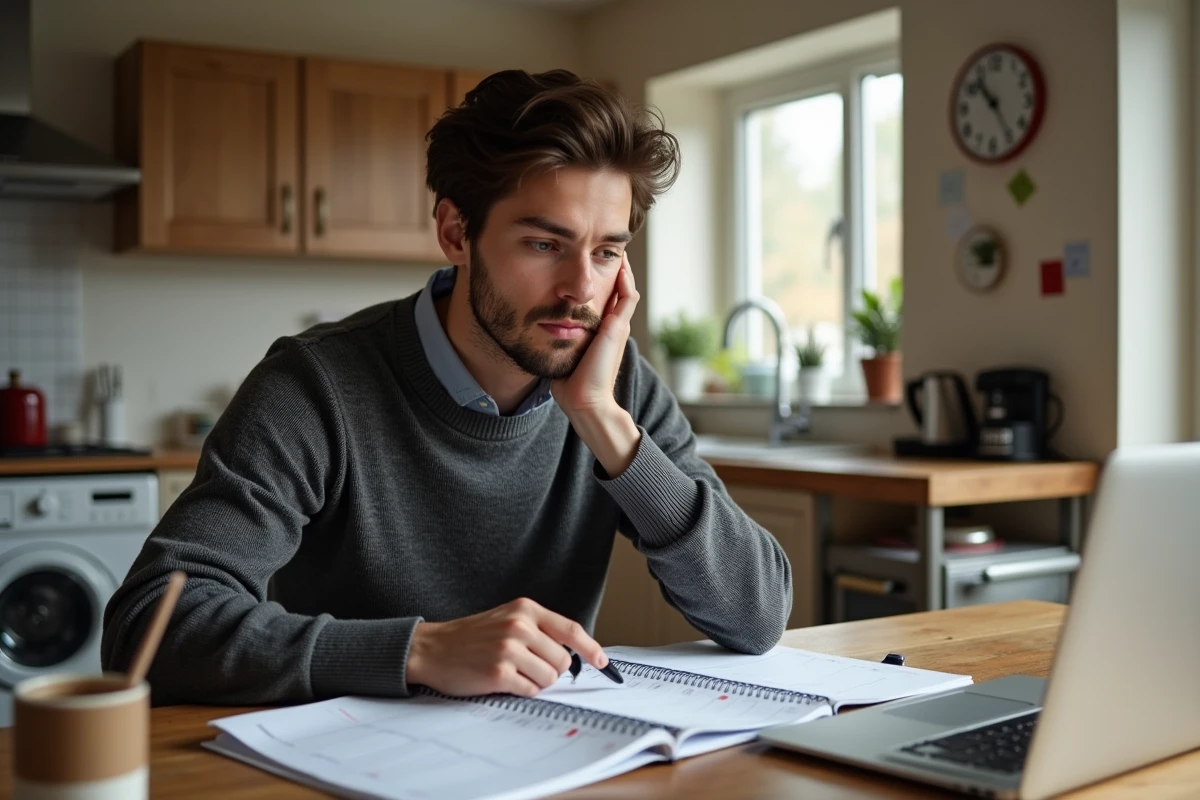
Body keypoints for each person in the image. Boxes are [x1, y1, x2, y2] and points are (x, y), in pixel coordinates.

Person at [101, 69, 792, 706]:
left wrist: (602, 423)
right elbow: (149, 624)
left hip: (550, 759)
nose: (583, 288)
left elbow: (758, 615)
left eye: (607, 251)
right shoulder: (316, 387)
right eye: (545, 245)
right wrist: (418, 650)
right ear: (457, 233)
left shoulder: (617, 389)